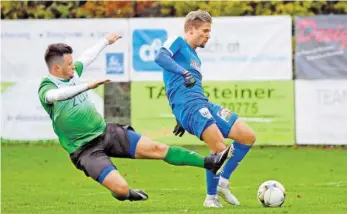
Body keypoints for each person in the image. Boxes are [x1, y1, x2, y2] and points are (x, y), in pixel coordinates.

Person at [38, 33, 233, 202]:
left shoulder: (72, 74)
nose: (74, 66)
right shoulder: (47, 88)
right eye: (69, 64)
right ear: (56, 69)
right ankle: (126, 193)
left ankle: (210, 163)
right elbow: (57, 96)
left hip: (105, 132)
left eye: (73, 63)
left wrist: (106, 41)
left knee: (159, 148)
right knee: (121, 190)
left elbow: (87, 57)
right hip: (84, 150)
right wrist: (87, 86)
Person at [155, 10, 256, 208]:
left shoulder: (194, 56)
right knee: (219, 148)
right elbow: (160, 57)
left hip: (202, 103)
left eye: (209, 31)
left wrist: (179, 119)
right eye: (205, 30)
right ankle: (211, 198)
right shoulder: (178, 42)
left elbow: (173, 85)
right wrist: (183, 73)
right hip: (190, 107)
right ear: (191, 29)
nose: (208, 35)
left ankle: (223, 183)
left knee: (246, 136)